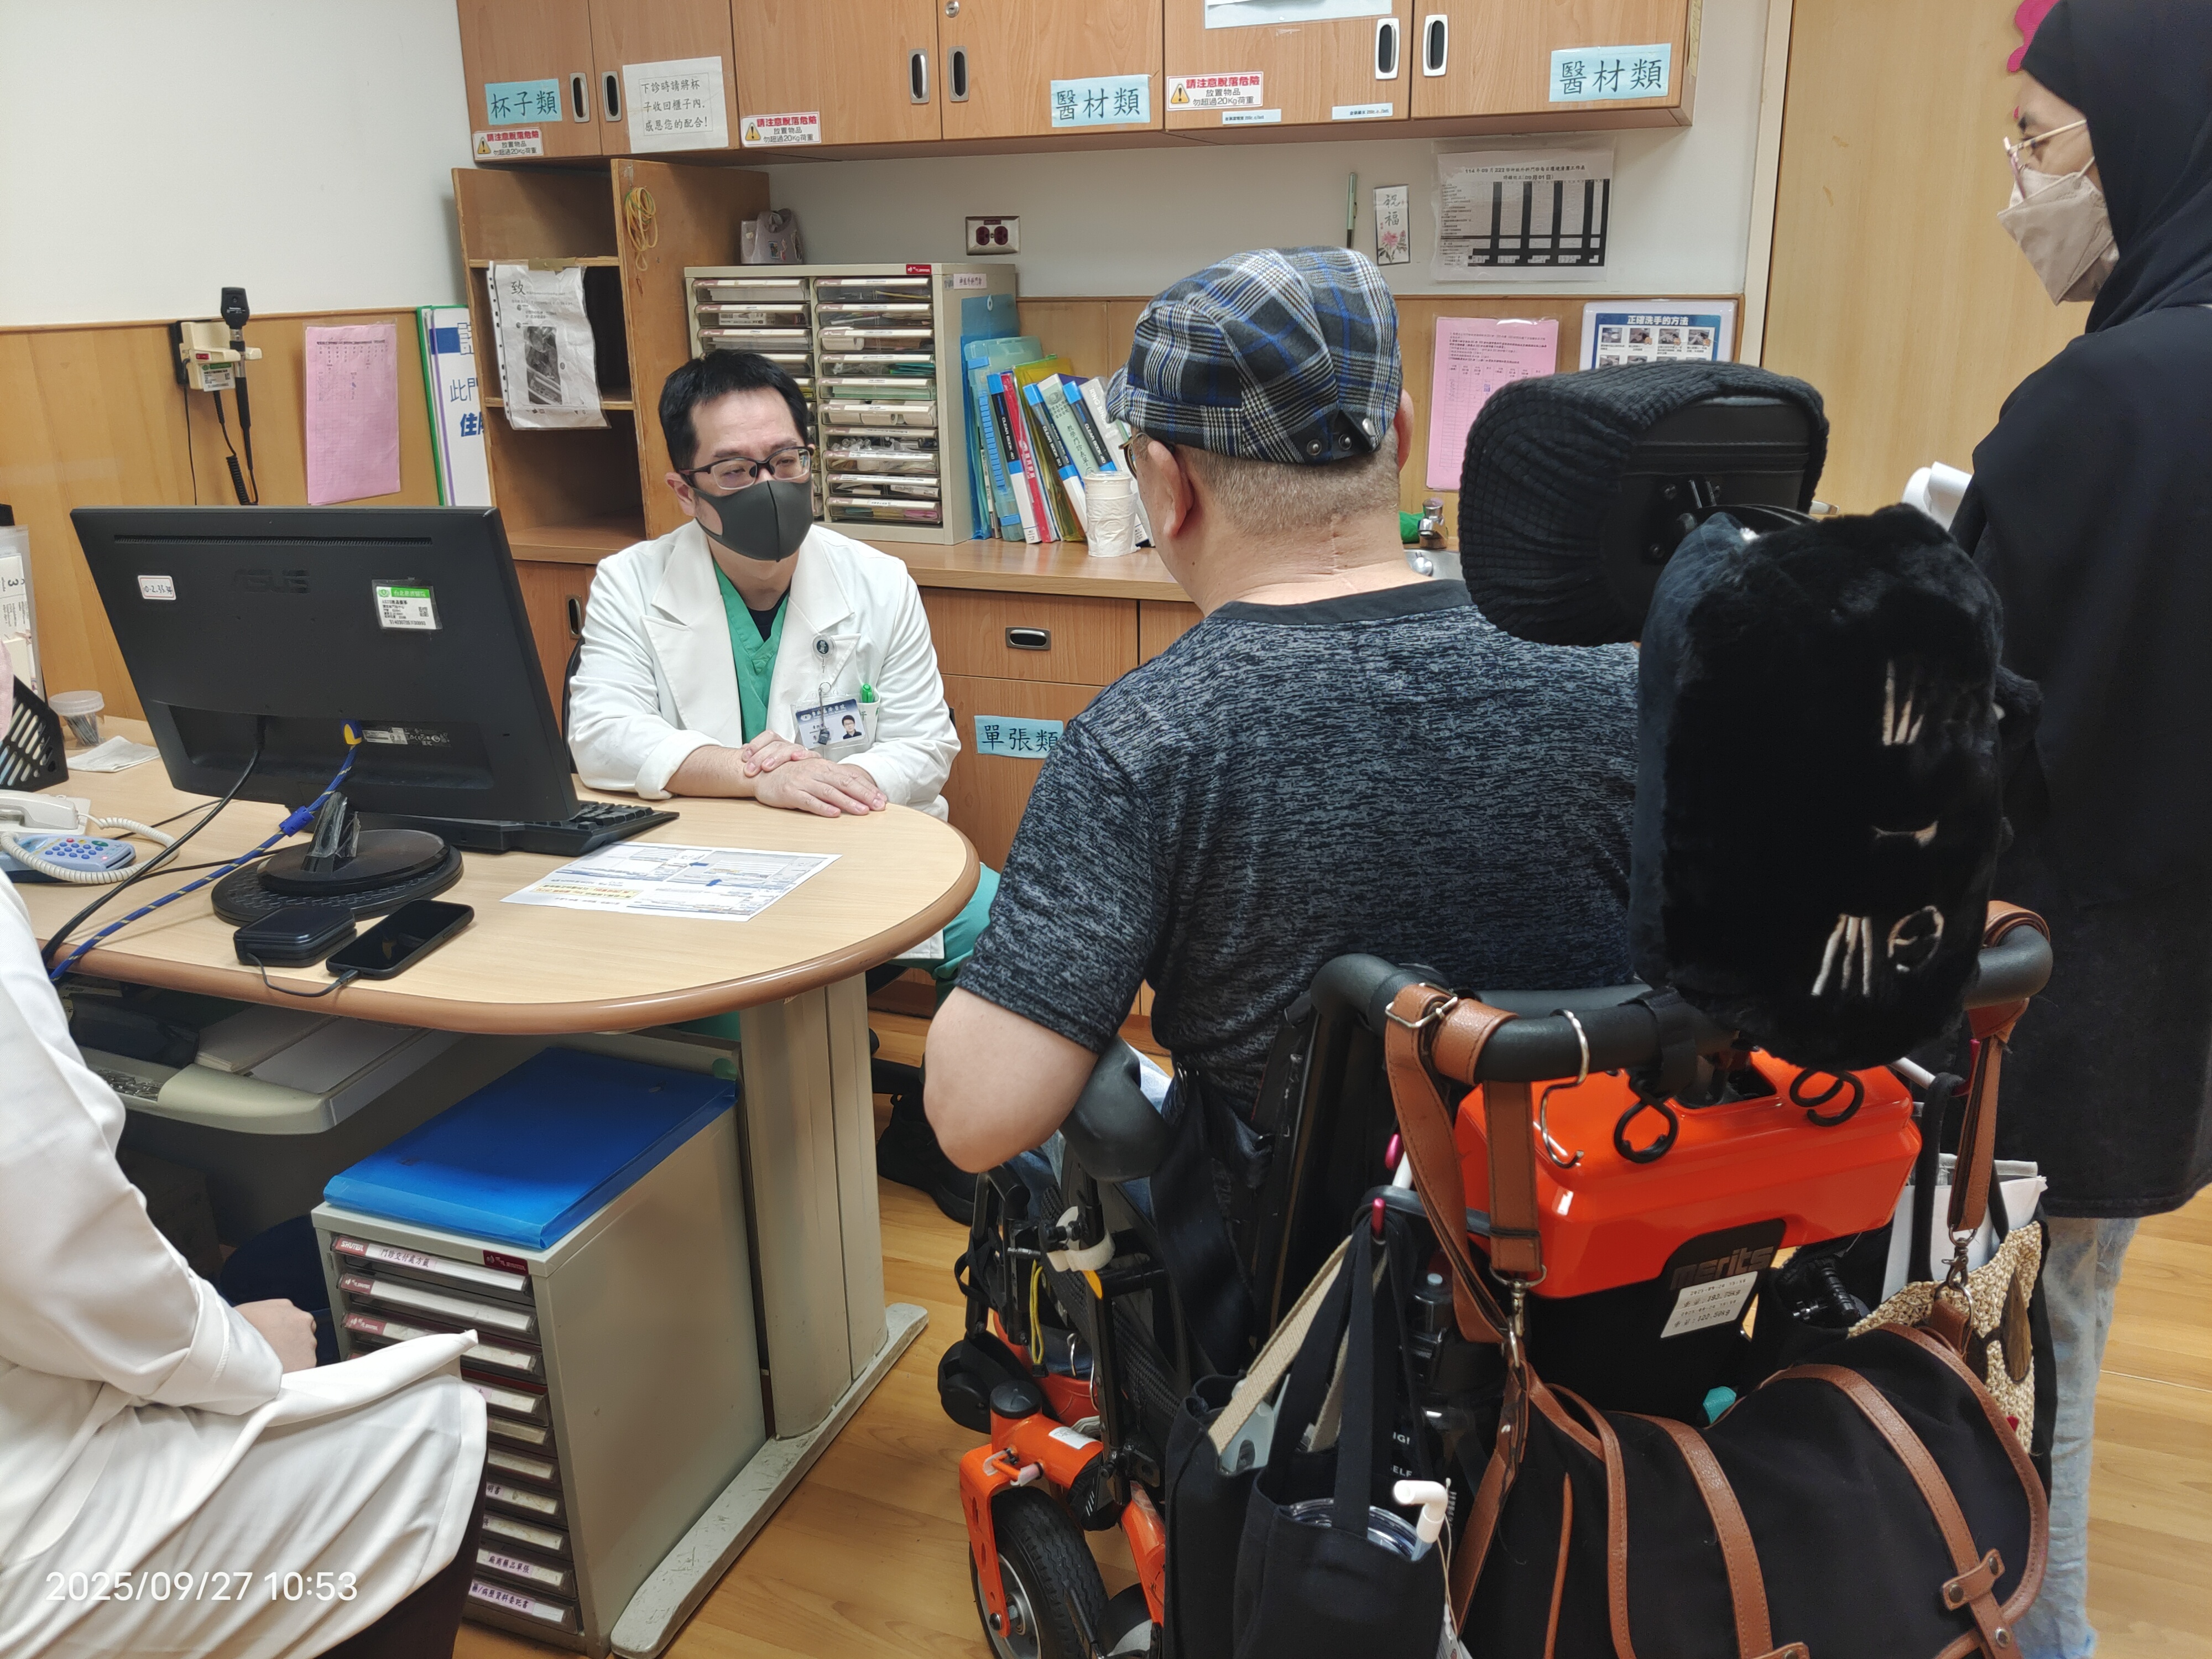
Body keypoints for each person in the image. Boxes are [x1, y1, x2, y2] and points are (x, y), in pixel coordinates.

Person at [924, 247, 1638, 1190]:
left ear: (1168, 484)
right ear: (1403, 434)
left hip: (1301, 1268)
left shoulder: (1146, 742)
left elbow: (976, 1120)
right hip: (1615, 1223)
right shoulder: (1623, 675)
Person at [0, 648, 486, 1659]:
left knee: (266, 1274)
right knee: (439, 1427)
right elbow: (54, 1249)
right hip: (32, 1555)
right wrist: (241, 1354)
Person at [1951, 6, 2212, 1655]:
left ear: (2145, 138)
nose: (2022, 182)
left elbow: (1968, 723)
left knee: (2008, 1365)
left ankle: (2036, 1635)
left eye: (2043, 142)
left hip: (2048, 986)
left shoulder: (2106, 397)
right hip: (2174, 993)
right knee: (2072, 1319)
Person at [567, 350, 994, 1219]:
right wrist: (755, 777)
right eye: (735, 469)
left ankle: (941, 1133)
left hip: (854, 846)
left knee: (999, 922)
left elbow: (926, 744)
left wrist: (828, 781)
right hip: (701, 868)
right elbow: (600, 738)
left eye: (786, 460)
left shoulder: (875, 580)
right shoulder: (631, 583)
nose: (769, 486)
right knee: (732, 1029)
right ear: (685, 490)